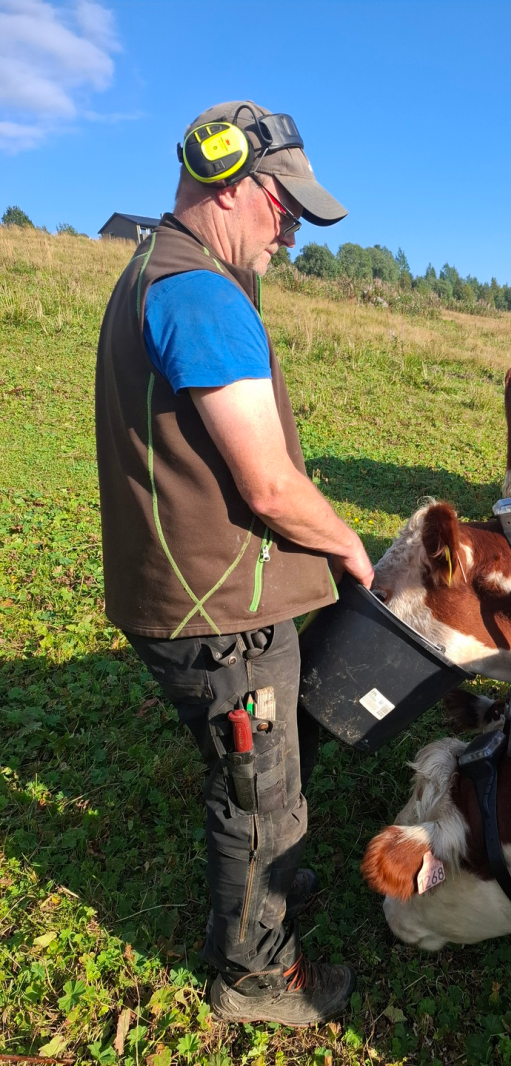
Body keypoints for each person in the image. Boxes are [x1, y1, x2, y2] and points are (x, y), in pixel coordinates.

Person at [95, 100, 373, 1026]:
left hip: (192, 592)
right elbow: (269, 485)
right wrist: (348, 545)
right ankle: (254, 975)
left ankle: (266, 890)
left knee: (259, 776)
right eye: (283, 207)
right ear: (227, 183)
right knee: (259, 796)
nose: (291, 233)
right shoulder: (203, 295)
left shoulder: (159, 269)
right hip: (219, 614)